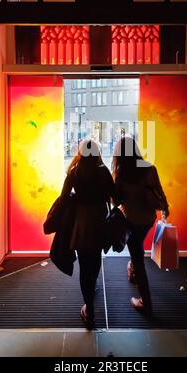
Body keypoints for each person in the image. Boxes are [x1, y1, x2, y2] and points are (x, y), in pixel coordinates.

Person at [60, 139, 116, 329]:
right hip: (99, 220)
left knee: (84, 264)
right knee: (96, 257)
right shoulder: (103, 170)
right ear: (98, 152)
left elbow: (64, 196)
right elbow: (114, 196)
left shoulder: (74, 172)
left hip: (81, 223)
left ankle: (89, 309)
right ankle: (92, 288)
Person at [112, 136, 169, 316]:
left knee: (137, 255)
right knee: (137, 247)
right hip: (147, 219)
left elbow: (116, 200)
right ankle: (133, 270)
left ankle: (146, 302)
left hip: (131, 221)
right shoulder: (149, 168)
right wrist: (166, 209)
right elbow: (159, 192)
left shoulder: (120, 173)